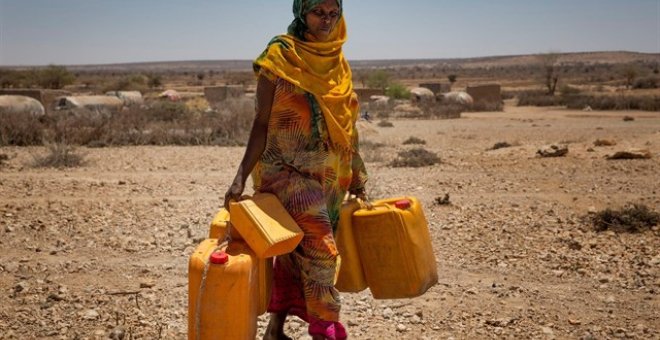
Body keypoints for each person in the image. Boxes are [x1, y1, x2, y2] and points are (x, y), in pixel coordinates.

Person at [223, 0, 368, 339]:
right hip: (285, 171)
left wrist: (358, 172)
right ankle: (325, 327)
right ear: (302, 13)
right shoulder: (280, 55)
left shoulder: (337, 62)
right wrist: (239, 176)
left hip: (330, 174)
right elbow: (260, 122)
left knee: (294, 249)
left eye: (334, 14)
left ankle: (275, 329)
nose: (327, 21)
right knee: (321, 247)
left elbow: (348, 126)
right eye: (320, 12)